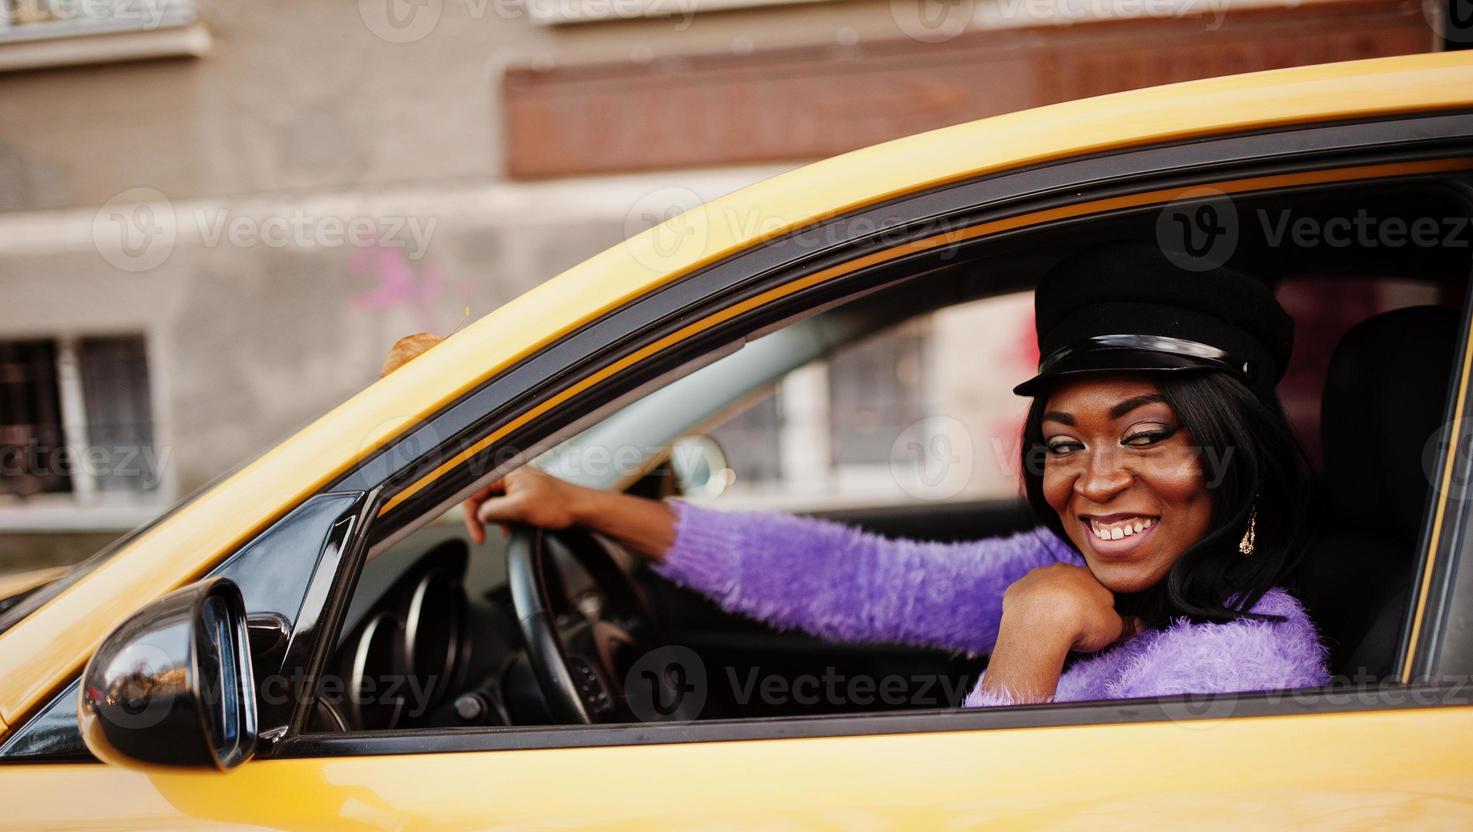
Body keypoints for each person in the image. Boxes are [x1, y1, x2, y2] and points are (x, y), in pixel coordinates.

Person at [437, 243, 1332, 708]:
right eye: (1062, 444)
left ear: (1231, 457)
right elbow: (859, 580)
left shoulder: (1242, 660)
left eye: (1145, 437)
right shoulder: (1101, 575)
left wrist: (1030, 635)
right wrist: (587, 506)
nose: (1094, 483)